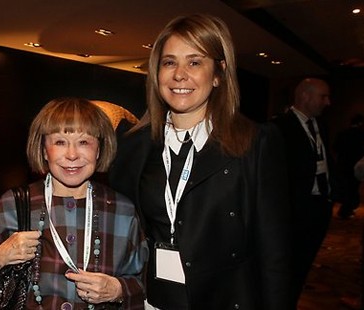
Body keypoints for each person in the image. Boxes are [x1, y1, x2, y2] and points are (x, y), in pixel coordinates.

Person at [109, 14, 292, 309]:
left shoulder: (254, 142)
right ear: (157, 73)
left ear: (218, 73)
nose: (179, 74)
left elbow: (275, 249)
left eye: (194, 62)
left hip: (226, 299)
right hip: (152, 300)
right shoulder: (133, 146)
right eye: (169, 62)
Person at [0, 97, 148, 309]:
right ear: (44, 150)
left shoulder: (121, 210)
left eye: (84, 142)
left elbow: (143, 282)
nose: (72, 155)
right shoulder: (12, 205)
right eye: (60, 142)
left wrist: (118, 290)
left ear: (99, 150)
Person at [271, 77, 333, 306]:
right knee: (288, 269)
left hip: (320, 207)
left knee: (304, 265)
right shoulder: (279, 127)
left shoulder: (322, 125)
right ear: (305, 96)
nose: (328, 102)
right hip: (293, 214)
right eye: (323, 96)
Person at [333, 114, 364, 219]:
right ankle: (346, 210)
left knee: (345, 187)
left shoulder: (342, 134)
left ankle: (346, 209)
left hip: (343, 165)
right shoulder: (361, 135)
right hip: (356, 165)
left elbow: (335, 148)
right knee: (353, 188)